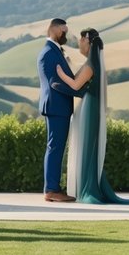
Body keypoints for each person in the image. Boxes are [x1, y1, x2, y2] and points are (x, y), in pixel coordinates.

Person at [56, 29, 129, 205]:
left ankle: (88, 187)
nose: (79, 43)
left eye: (81, 40)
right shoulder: (92, 64)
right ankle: (88, 183)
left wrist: (60, 74)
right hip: (90, 106)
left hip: (89, 107)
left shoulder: (90, 65)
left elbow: (75, 84)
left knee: (87, 145)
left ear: (88, 43)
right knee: (88, 145)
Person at [37, 19, 79, 202]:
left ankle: (53, 188)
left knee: (56, 147)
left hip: (59, 106)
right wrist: (82, 92)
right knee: (55, 147)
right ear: (53, 29)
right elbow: (56, 82)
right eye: (63, 31)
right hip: (56, 106)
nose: (66, 35)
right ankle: (52, 190)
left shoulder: (54, 51)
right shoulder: (48, 53)